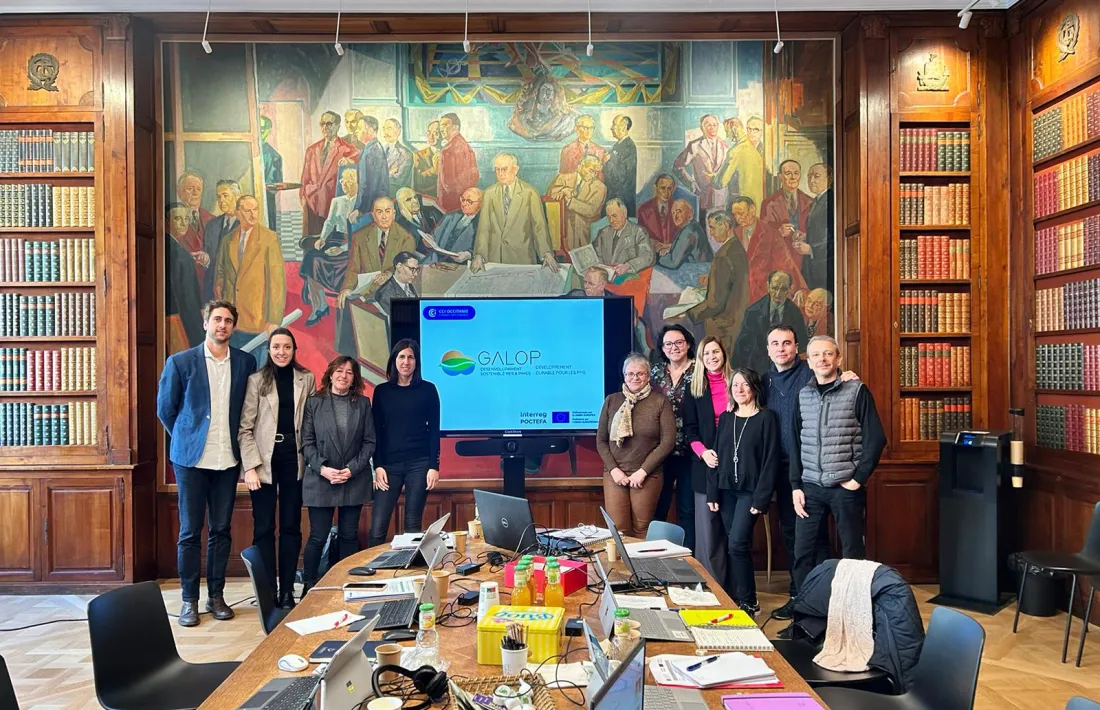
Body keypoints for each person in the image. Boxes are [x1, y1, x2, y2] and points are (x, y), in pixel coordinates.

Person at [156, 300, 256, 627]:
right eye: (217, 319)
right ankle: (189, 600)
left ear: (233, 326)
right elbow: (166, 410)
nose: (222, 325)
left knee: (221, 530)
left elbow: (246, 409)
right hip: (191, 462)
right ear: (206, 322)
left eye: (228, 320)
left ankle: (216, 596)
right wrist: (188, 436)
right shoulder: (181, 362)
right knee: (189, 531)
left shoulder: (245, 362)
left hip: (227, 461)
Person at [764, 324, 858, 621]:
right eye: (775, 344)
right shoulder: (763, 381)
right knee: (793, 533)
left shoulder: (811, 371)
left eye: (787, 343)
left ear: (796, 348)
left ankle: (825, 597)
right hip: (780, 469)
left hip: (815, 468)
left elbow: (840, 387)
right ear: (768, 350)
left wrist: (849, 376)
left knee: (817, 536)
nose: (781, 348)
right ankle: (800, 595)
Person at [789, 336, 886, 598]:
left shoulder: (856, 390)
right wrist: (796, 485)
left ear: (839, 358)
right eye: (816, 355)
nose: (822, 359)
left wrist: (858, 478)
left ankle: (855, 610)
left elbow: (876, 438)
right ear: (809, 362)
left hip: (845, 487)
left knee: (852, 552)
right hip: (810, 488)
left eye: (828, 354)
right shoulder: (803, 395)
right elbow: (795, 443)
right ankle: (806, 608)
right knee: (802, 553)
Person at [238, 328, 316, 609]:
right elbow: (245, 429)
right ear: (268, 350)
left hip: (294, 462)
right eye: (276, 347)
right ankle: (267, 590)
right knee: (263, 528)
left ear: (294, 350)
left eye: (286, 347)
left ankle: (286, 592)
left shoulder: (306, 379)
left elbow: (311, 422)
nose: (281, 352)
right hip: (263, 463)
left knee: (291, 527)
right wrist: (250, 467)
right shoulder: (257, 381)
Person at [707, 368, 781, 615]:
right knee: (733, 544)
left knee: (737, 543)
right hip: (726, 490)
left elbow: (771, 461)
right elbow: (717, 455)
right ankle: (739, 597)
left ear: (755, 388)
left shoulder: (766, 418)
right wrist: (713, 493)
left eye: (745, 384)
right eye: (735, 385)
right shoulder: (727, 418)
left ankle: (749, 601)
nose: (739, 389)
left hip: (751, 492)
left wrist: (762, 498)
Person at [300, 356, 377, 594]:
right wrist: (324, 469)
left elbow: (369, 442)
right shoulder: (314, 403)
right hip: (321, 480)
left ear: (354, 378)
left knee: (348, 536)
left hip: (352, 480)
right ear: (330, 374)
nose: (344, 376)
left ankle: (347, 584)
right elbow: (306, 443)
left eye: (349, 372)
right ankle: (309, 586)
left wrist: (351, 469)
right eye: (339, 371)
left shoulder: (363, 404)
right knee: (318, 536)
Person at [368, 339, 442, 547]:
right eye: (401, 357)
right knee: (378, 526)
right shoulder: (382, 391)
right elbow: (377, 432)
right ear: (394, 360)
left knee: (412, 523)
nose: (406, 362)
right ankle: (373, 572)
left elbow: (434, 431)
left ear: (416, 362)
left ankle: (410, 573)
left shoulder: (428, 390)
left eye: (411, 357)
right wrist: (378, 466)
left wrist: (433, 466)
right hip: (388, 466)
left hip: (419, 464)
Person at [597, 353, 676, 539]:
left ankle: (641, 569)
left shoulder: (660, 402)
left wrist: (643, 471)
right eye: (630, 374)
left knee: (642, 529)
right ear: (624, 376)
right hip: (614, 475)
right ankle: (620, 569)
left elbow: (668, 441)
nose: (635, 378)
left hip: (647, 476)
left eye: (640, 374)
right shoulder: (612, 401)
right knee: (618, 531)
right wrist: (614, 470)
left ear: (648, 376)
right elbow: (601, 440)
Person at [682, 336, 733, 591]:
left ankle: (735, 590)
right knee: (708, 532)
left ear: (723, 353)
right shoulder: (694, 389)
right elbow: (690, 431)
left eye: (716, 351)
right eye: (706, 354)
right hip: (705, 466)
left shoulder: (738, 383)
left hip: (736, 467)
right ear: (700, 359)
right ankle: (713, 587)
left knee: (734, 533)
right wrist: (704, 453)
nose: (712, 357)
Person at [650, 325, 697, 552]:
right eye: (668, 344)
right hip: (661, 451)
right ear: (662, 348)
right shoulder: (655, 373)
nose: (674, 348)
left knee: (687, 510)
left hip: (692, 450)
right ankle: (654, 562)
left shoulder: (701, 371)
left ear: (688, 344)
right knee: (659, 507)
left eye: (679, 342)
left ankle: (690, 562)